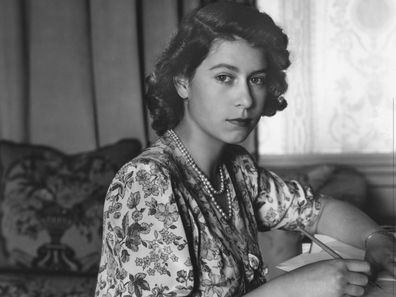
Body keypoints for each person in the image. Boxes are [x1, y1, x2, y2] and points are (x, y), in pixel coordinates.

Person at [95, 2, 395, 297]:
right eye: (225, 77)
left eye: (257, 79)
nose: (247, 100)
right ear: (183, 82)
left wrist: (375, 238)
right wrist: (291, 289)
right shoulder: (146, 181)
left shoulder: (237, 168)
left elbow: (317, 211)